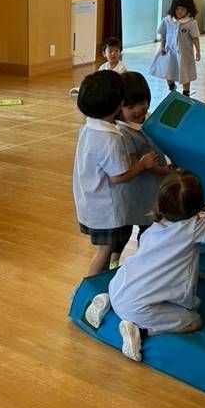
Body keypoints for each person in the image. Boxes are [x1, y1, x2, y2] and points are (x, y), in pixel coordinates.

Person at [84, 156, 205, 362]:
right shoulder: (193, 229)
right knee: (194, 321)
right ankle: (140, 331)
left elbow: (159, 261)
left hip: (116, 287)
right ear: (198, 206)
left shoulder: (154, 226)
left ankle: (107, 304)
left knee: (133, 294)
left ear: (161, 205)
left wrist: (193, 272)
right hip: (137, 307)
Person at [72, 70, 156, 276]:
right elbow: (119, 176)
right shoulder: (111, 139)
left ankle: (99, 282)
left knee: (106, 251)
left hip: (90, 203)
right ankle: (89, 287)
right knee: (104, 252)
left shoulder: (89, 127)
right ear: (118, 105)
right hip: (106, 210)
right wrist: (143, 165)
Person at [117, 72, 171, 245]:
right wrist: (164, 171)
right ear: (119, 108)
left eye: (142, 103)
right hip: (140, 192)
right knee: (144, 226)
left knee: (152, 224)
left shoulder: (147, 120)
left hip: (154, 187)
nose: (138, 110)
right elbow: (138, 164)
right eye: (131, 107)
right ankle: (129, 255)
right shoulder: (123, 132)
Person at [149, 0, 200, 96]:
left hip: (185, 54)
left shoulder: (191, 23)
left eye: (183, 9)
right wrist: (162, 46)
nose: (179, 12)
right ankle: (172, 87)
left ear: (188, 9)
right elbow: (163, 34)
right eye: (177, 9)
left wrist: (198, 52)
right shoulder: (167, 20)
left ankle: (186, 92)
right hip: (169, 51)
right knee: (167, 71)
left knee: (185, 73)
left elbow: (195, 38)